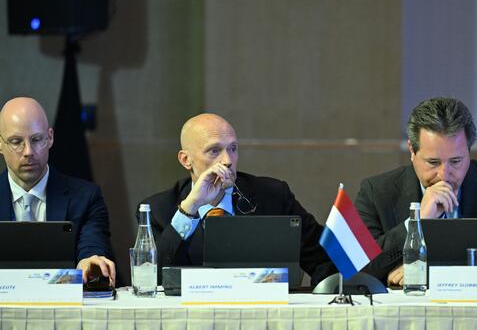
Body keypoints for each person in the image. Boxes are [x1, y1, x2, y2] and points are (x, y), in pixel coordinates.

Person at [139, 113, 336, 285]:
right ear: (186, 160)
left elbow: (326, 261)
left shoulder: (274, 196)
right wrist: (189, 208)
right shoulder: (157, 210)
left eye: (232, 148)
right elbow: (153, 279)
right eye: (214, 150)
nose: (227, 160)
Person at [355, 97, 477, 286]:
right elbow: (359, 269)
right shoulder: (376, 192)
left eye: (456, 161)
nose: (444, 175)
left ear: (469, 151)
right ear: (412, 151)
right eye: (433, 162)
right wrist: (417, 221)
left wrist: (428, 273)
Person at [0, 97, 115, 284]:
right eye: (16, 141)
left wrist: (88, 261)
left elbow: (92, 246)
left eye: (36, 139)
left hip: (63, 298)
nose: (28, 151)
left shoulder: (86, 197)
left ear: (50, 138)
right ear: (0, 144)